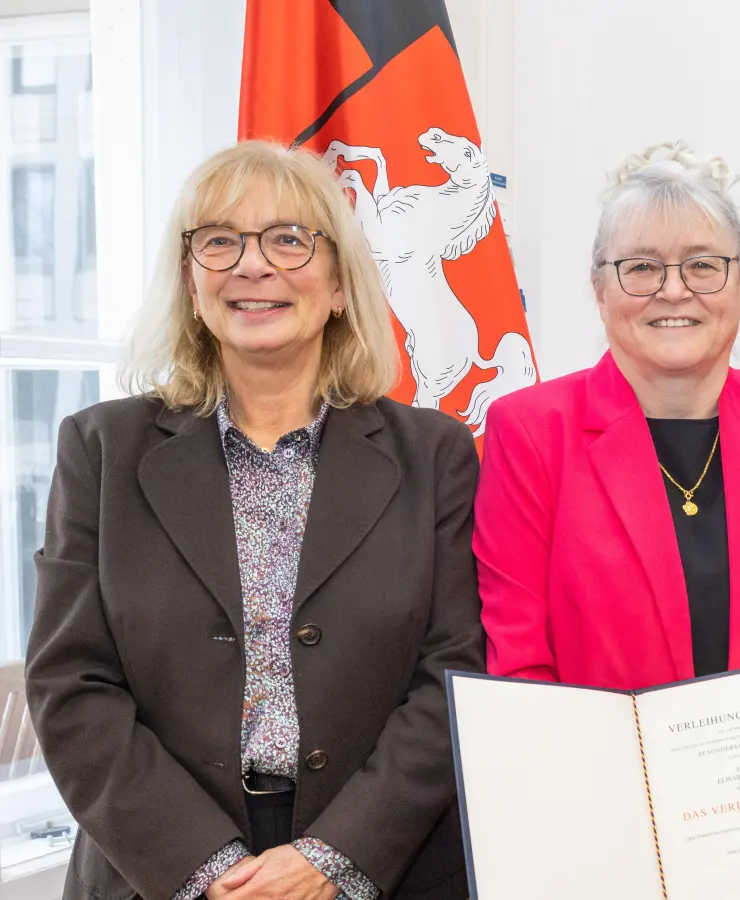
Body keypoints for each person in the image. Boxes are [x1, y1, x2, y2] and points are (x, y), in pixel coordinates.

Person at [25, 141, 484, 900]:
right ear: (191, 283)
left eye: (288, 238)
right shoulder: (100, 449)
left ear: (339, 283)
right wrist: (205, 868)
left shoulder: (434, 454)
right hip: (156, 868)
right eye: (219, 241)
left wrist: (334, 858)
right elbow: (70, 685)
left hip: (378, 866)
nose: (252, 264)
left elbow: (454, 674)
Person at [472, 141, 740, 896]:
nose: (675, 291)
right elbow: (521, 669)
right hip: (602, 845)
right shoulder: (529, 430)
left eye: (704, 265)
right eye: (640, 266)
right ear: (599, 290)